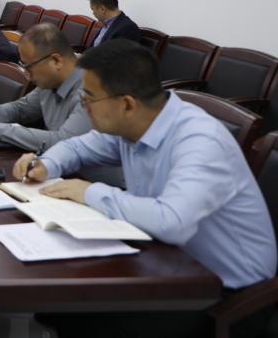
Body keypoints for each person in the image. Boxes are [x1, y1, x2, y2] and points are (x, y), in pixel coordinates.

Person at [16, 40, 276, 338]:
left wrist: (89, 192)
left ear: (126, 104)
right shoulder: (136, 121)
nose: (84, 107)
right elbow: (77, 147)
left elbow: (171, 222)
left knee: (85, 317)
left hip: (226, 292)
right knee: (62, 302)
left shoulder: (199, 141)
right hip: (164, 260)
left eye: (88, 99)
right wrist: (46, 164)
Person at [0, 23, 122, 185]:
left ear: (56, 61)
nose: (27, 76)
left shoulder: (91, 92)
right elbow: (21, 108)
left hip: (96, 185)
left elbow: (62, 141)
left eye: (29, 67)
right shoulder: (50, 82)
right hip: (61, 174)